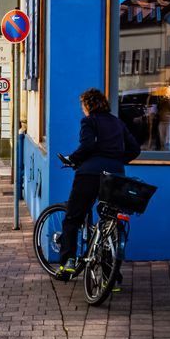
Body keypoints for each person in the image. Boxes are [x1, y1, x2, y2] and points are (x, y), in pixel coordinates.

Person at [57, 88, 141, 279]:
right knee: (110, 221)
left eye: (82, 105)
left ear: (88, 105)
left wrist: (73, 159)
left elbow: (87, 145)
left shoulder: (89, 121)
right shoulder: (117, 123)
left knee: (73, 216)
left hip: (90, 174)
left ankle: (68, 261)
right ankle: (112, 275)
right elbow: (135, 148)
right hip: (116, 176)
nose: (82, 109)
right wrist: (117, 161)